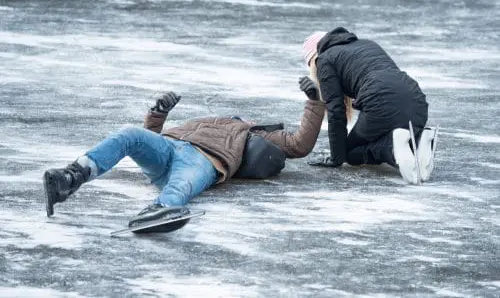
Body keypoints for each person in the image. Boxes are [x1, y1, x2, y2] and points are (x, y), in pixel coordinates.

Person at [43, 77, 325, 232]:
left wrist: (314, 102)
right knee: (129, 134)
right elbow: (151, 138)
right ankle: (72, 176)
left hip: (206, 159)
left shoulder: (257, 133)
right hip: (170, 146)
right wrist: (158, 113)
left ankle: (160, 209)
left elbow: (299, 145)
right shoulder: (199, 121)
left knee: (182, 182)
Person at [303, 27, 437, 184]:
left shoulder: (325, 60)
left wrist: (337, 158)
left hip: (380, 101)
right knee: (393, 134)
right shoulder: (367, 44)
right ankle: (419, 140)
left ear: (314, 57)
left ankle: (392, 149)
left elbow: (336, 112)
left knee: (350, 153)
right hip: (416, 100)